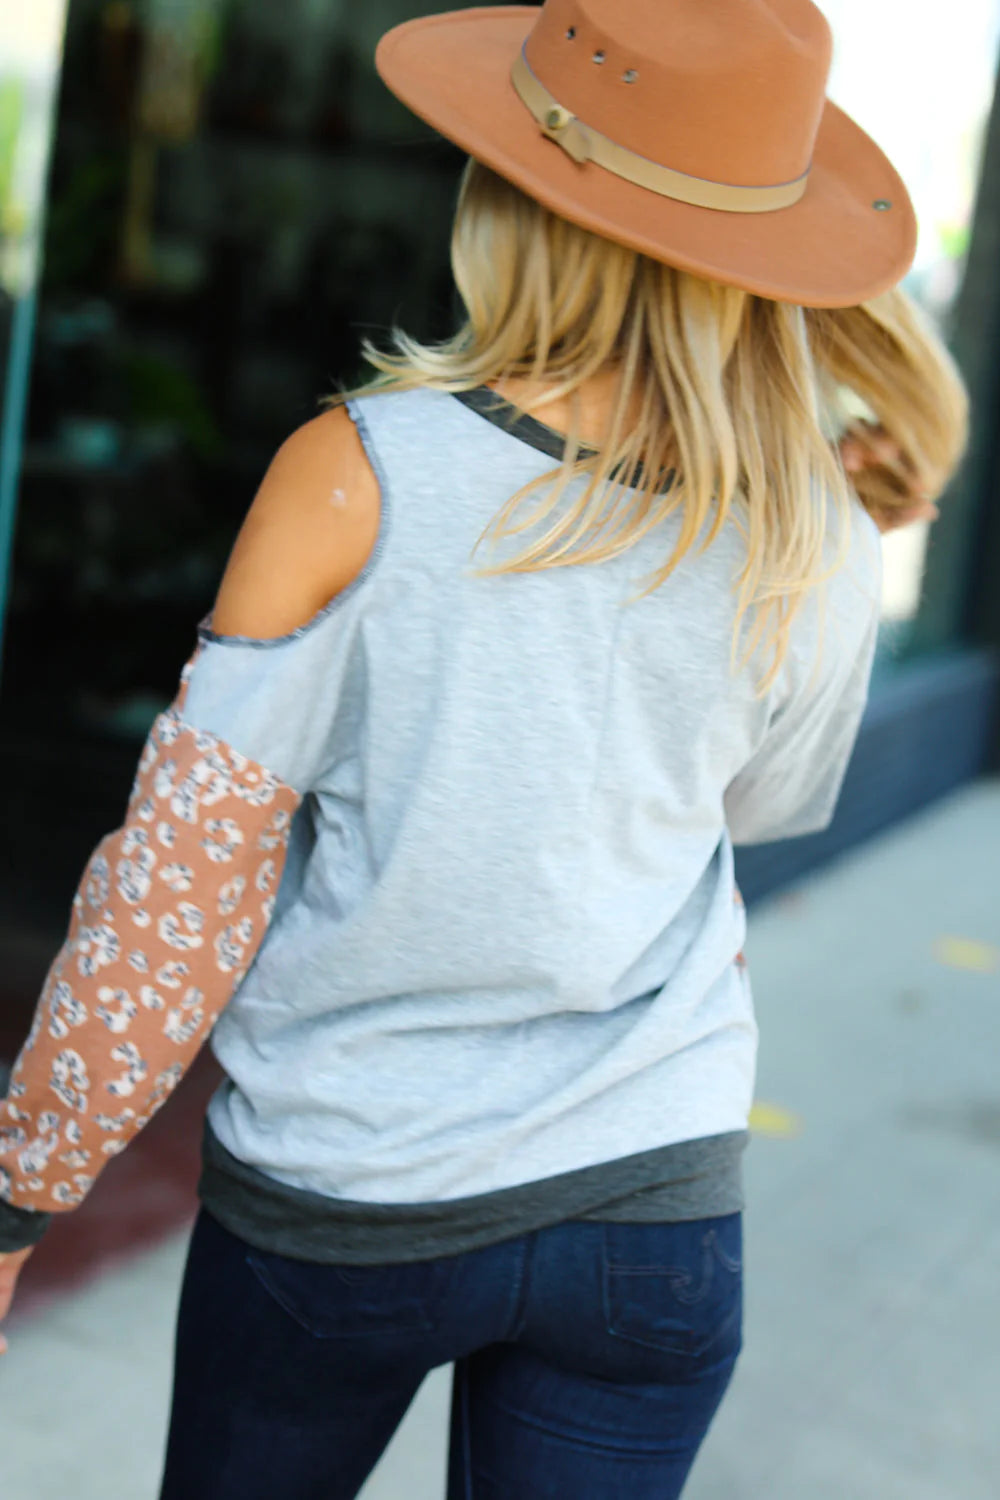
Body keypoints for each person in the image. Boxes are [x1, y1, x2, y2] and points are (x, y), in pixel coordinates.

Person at [0, 1, 968, 1495]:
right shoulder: (815, 530)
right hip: (652, 1212)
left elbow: (173, 902)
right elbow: (766, 807)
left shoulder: (361, 474)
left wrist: (22, 1195)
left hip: (347, 1198)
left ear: (513, 198)